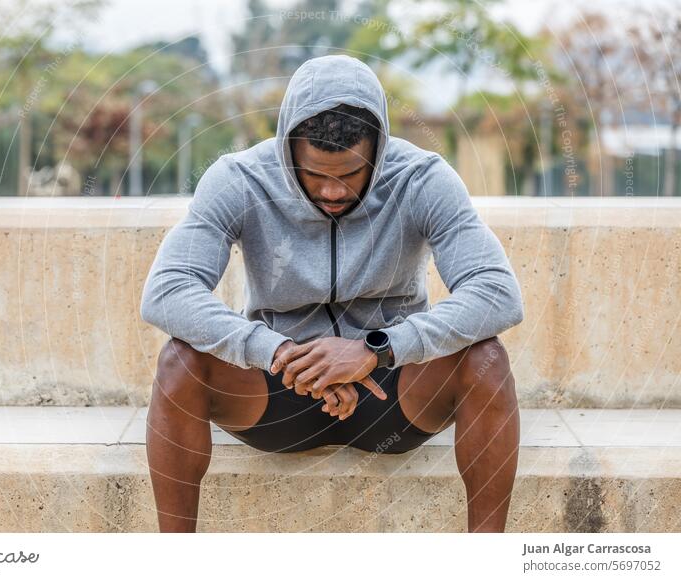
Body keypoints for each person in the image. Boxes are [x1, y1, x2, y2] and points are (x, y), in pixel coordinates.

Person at [140, 54, 524, 533]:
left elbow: (497, 292)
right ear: (288, 150)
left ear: (379, 150)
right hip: (276, 391)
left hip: (393, 391)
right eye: (316, 174)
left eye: (350, 174)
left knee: (487, 359)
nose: (333, 190)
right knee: (178, 362)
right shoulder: (239, 179)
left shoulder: (422, 177)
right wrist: (278, 351)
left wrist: (374, 349)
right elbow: (167, 290)